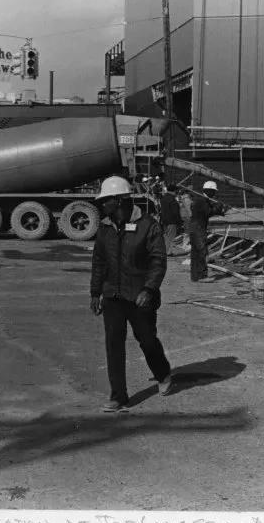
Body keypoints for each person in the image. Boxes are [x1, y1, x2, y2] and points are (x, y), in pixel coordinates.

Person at [90, 176, 172, 412]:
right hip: (113, 296)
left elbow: (158, 261)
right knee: (113, 345)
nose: (102, 204)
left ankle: (163, 373)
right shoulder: (105, 227)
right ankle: (119, 397)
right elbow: (99, 262)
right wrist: (95, 292)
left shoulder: (148, 225)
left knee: (147, 340)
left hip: (139, 296)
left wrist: (149, 289)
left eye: (106, 200)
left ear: (119, 200)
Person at [189, 181, 229, 282]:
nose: (214, 194)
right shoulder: (202, 200)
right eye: (214, 191)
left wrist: (221, 211)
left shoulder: (202, 199)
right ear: (209, 190)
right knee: (202, 251)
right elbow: (208, 212)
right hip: (198, 228)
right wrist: (217, 207)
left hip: (194, 227)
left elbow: (207, 211)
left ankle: (195, 276)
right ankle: (202, 276)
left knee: (195, 252)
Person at [159, 184, 182, 256]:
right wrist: (179, 222)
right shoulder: (172, 200)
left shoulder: (163, 199)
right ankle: (168, 252)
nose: (177, 193)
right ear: (174, 191)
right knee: (170, 237)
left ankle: (165, 250)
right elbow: (175, 212)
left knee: (166, 236)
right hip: (172, 221)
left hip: (164, 220)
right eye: (176, 191)